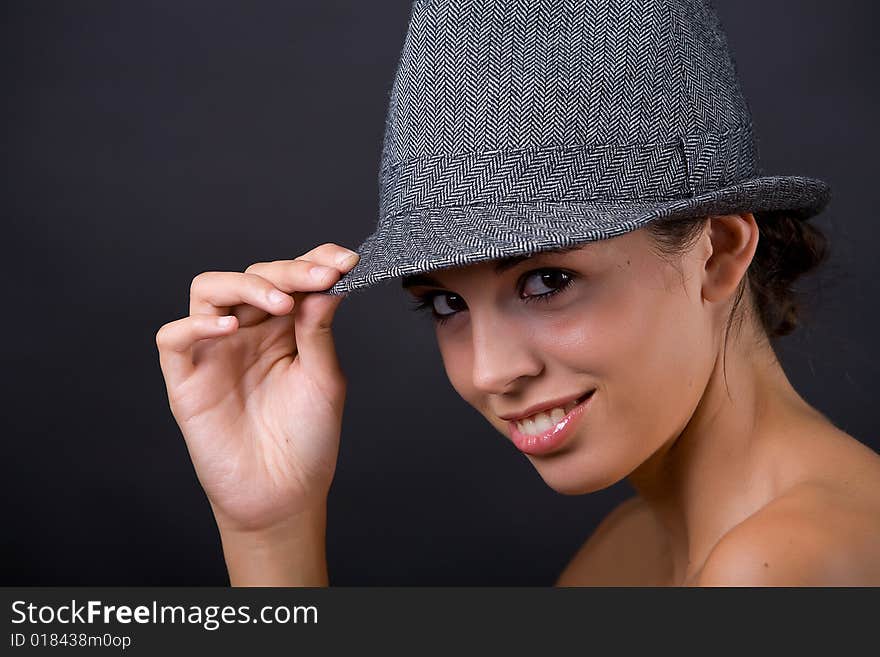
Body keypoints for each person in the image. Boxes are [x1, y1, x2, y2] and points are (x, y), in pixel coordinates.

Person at [155, 0, 880, 585]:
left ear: (718, 252)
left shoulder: (782, 568)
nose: (489, 370)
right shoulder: (635, 548)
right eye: (446, 303)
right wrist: (270, 528)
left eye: (547, 281)